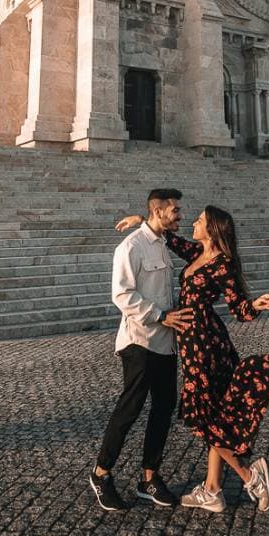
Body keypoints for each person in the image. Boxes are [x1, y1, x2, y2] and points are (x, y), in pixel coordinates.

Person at [116, 205, 269, 513]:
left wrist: (255, 305)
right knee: (213, 415)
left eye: (200, 220)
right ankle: (213, 489)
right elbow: (168, 237)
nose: (193, 222)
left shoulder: (222, 264)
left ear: (213, 229)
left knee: (202, 417)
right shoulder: (196, 253)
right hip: (190, 342)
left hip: (207, 346)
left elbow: (238, 307)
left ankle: (250, 475)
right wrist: (142, 219)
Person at [90, 188, 194, 512]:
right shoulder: (130, 246)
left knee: (164, 407)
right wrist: (162, 315)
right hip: (139, 339)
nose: (180, 215)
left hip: (165, 343)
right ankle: (101, 473)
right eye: (175, 210)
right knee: (130, 407)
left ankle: (149, 477)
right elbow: (121, 295)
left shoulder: (162, 244)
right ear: (159, 211)